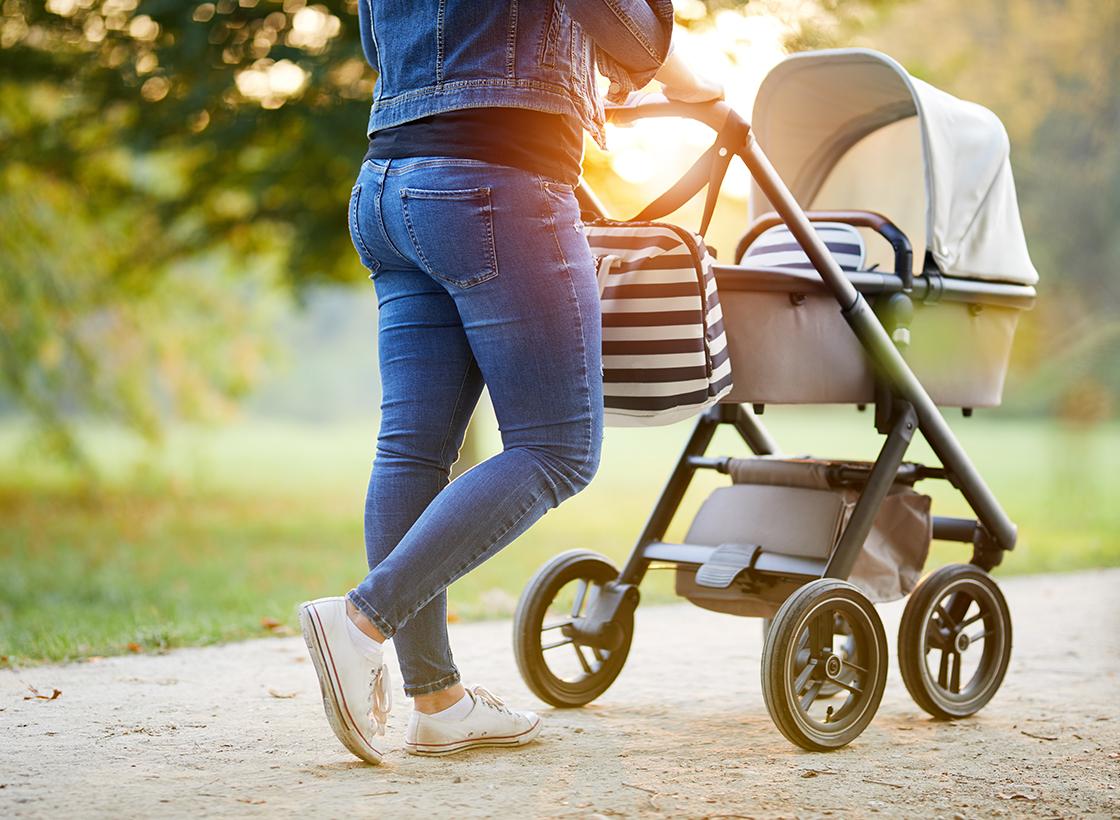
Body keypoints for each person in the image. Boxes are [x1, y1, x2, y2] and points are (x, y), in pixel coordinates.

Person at [298, 0, 722, 764]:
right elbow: (627, 29)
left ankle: (436, 702)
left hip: (386, 186)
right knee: (558, 448)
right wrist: (687, 80)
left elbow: (379, 37)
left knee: (414, 451)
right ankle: (362, 621)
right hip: (495, 179)